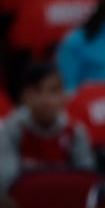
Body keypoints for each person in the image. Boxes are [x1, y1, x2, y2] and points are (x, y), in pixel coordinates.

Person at [0, 62, 95, 192]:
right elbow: (6, 182)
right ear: (24, 96)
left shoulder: (75, 131)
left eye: (53, 91)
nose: (46, 99)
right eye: (37, 91)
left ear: (64, 96)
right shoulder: (10, 130)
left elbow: (86, 181)